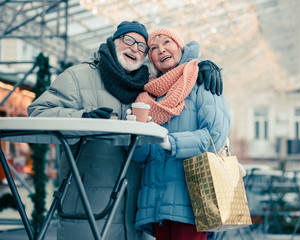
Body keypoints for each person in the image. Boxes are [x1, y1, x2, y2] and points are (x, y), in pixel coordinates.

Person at [27, 21, 223, 240]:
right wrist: (81, 118)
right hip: (88, 208)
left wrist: (204, 66)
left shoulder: (146, 89)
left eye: (141, 45)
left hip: (134, 213)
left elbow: (204, 127)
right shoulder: (79, 76)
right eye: (128, 40)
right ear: (113, 42)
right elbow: (37, 113)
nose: (135, 48)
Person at [131, 28, 231, 240]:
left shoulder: (202, 81)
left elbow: (214, 136)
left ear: (181, 48)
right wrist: (137, 134)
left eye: (167, 42)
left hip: (192, 199)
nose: (161, 50)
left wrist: (171, 142)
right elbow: (141, 157)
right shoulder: (150, 96)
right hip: (157, 202)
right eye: (153, 48)